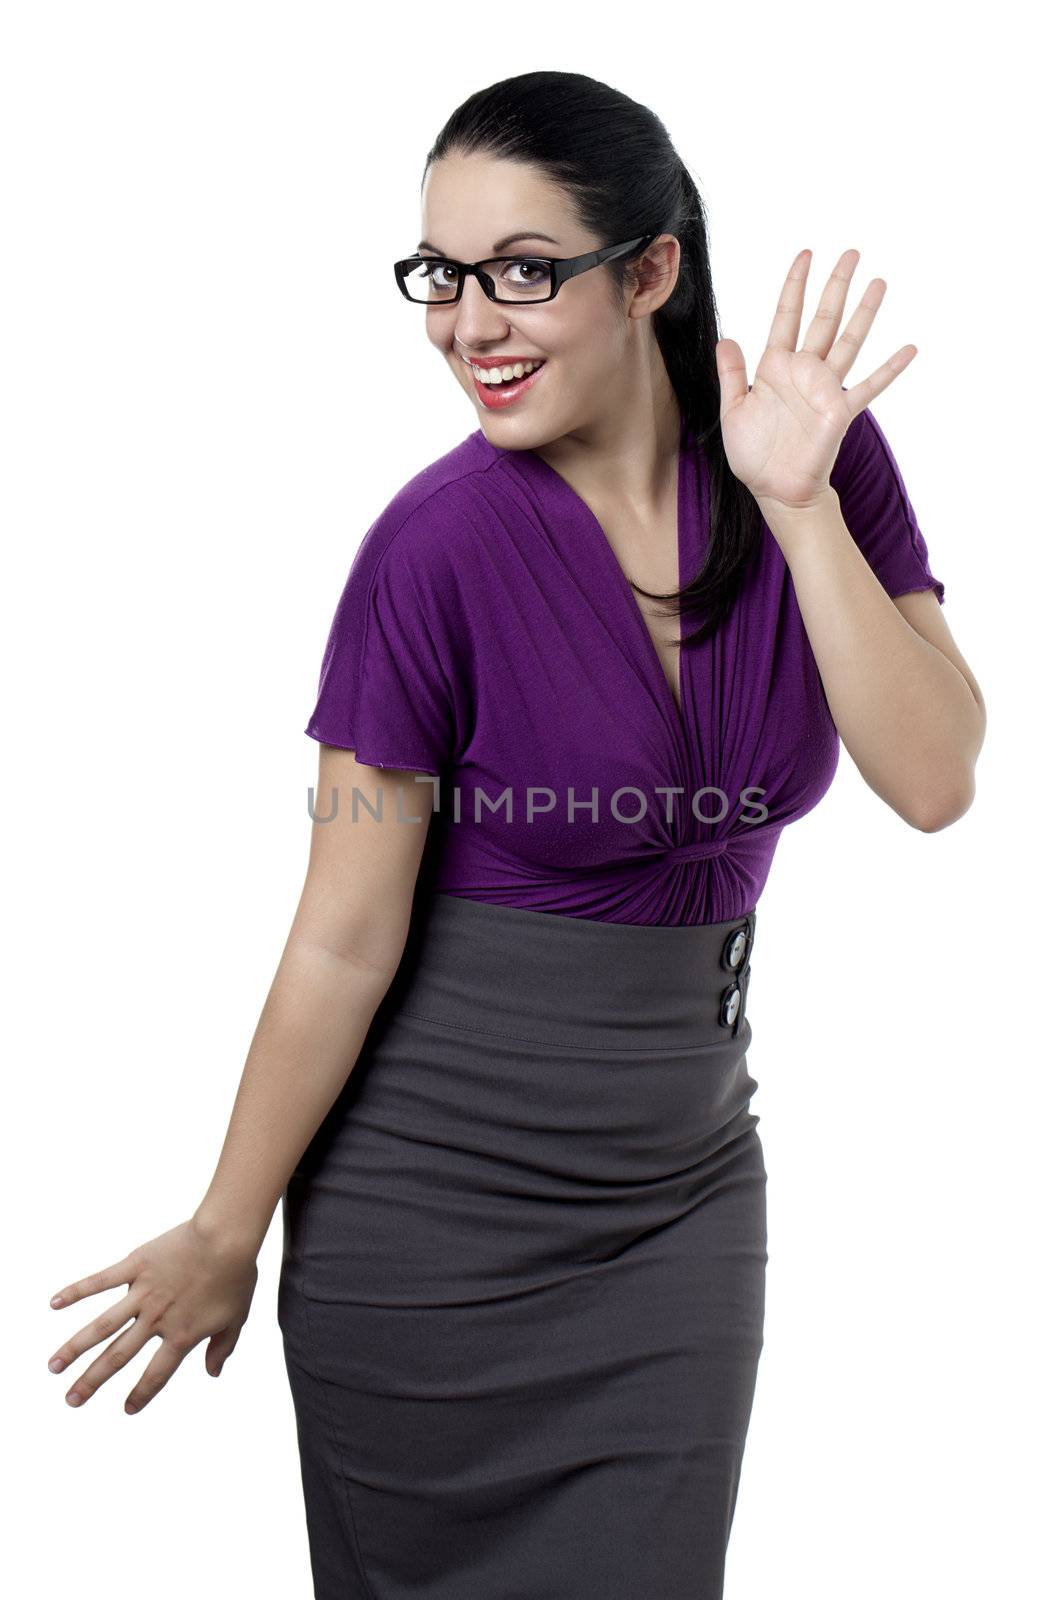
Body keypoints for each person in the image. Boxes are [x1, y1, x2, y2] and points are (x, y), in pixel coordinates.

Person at [46, 70, 985, 1600]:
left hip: (678, 1207)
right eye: (443, 275)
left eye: (524, 272)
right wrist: (229, 1225)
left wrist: (802, 508)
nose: (469, 322)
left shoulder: (814, 467)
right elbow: (342, 938)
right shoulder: (432, 552)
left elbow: (936, 780)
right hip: (427, 1232)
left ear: (653, 270)